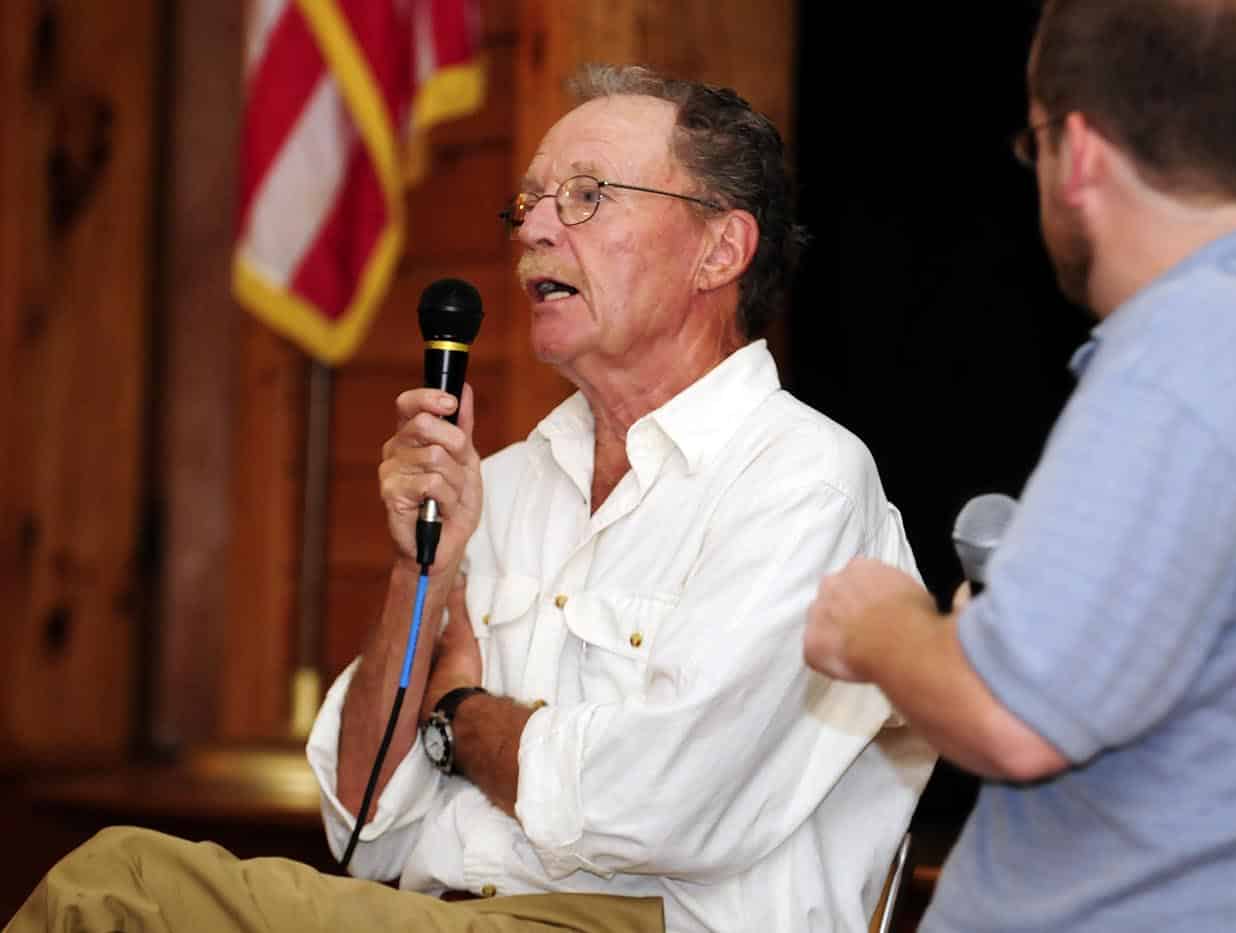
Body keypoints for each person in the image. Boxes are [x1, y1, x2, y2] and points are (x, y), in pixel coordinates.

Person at [8, 65, 933, 933]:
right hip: (454, 912)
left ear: (720, 248)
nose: (534, 228)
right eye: (530, 200)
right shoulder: (503, 481)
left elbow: (661, 805)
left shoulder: (801, 479)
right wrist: (422, 574)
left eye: (586, 195)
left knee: (120, 890)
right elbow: (362, 813)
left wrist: (457, 717)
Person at [803, 2, 1236, 931]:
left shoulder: (1185, 359)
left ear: (1076, 151)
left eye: (1031, 144)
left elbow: (1010, 717)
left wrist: (878, 620)